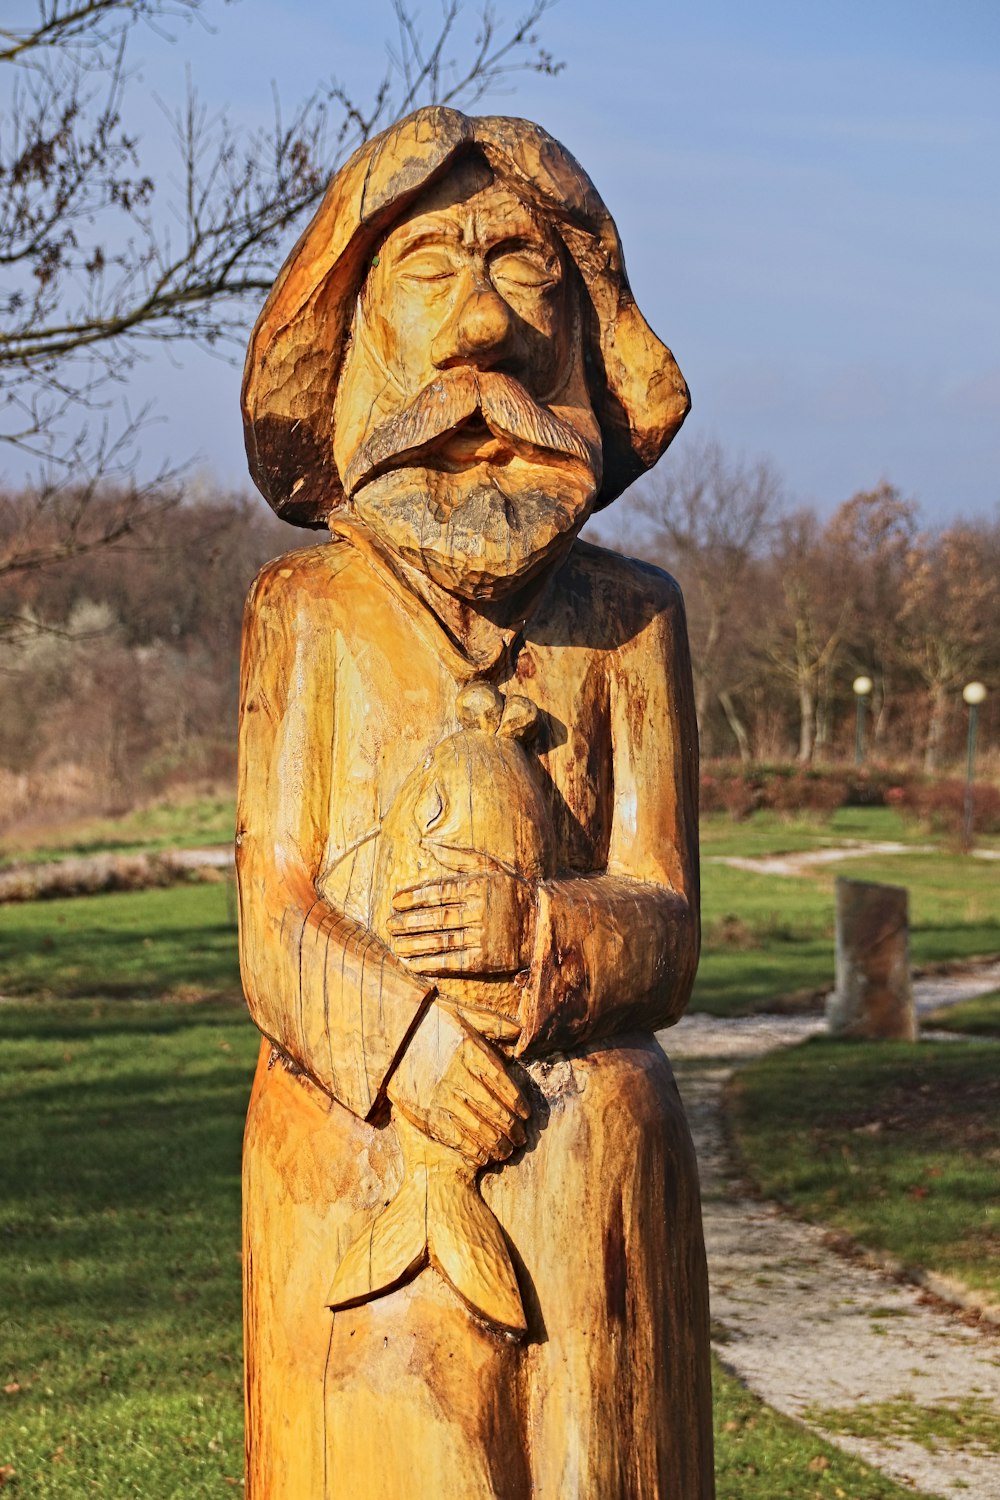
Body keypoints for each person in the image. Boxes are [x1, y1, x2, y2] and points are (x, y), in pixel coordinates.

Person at [237, 105, 714, 1498]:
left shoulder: (631, 618)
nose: (482, 330)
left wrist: (546, 939)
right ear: (358, 331)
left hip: (588, 1162)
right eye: (430, 271)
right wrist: (404, 1047)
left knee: (602, 1451)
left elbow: (671, 918)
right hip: (363, 1135)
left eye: (522, 270)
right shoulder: (309, 612)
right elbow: (273, 916)